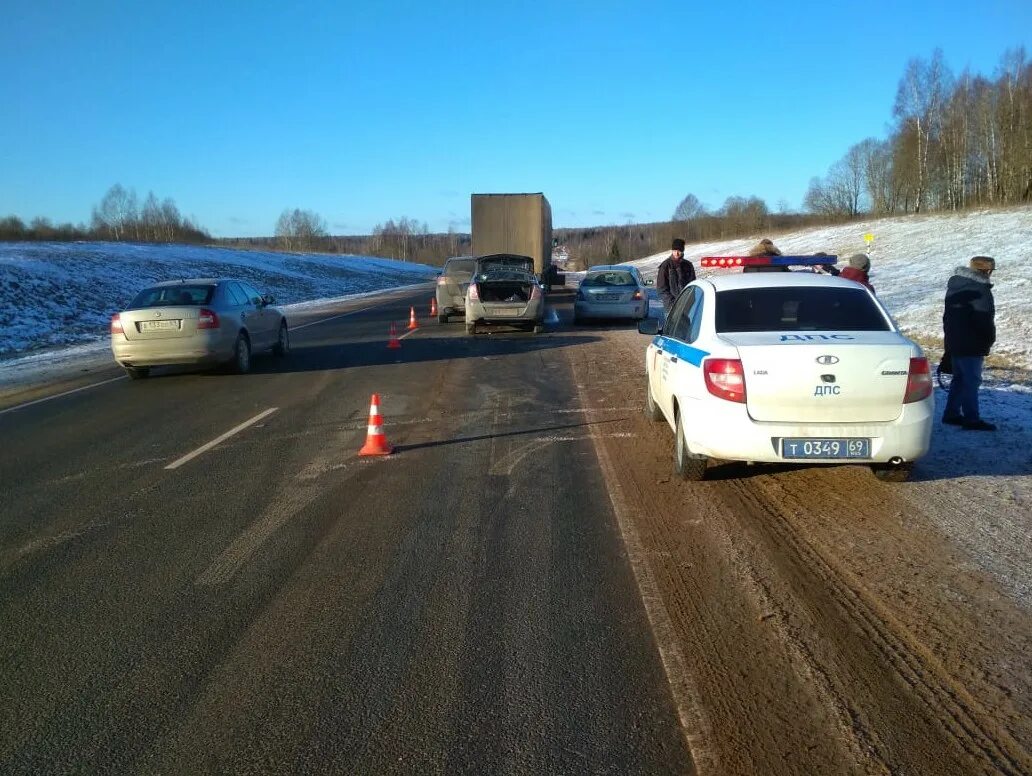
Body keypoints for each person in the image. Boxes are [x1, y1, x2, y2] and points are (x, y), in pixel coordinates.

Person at [942, 256, 997, 431]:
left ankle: (951, 414)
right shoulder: (980, 290)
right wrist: (988, 340)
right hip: (972, 344)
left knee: (959, 379)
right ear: (987, 271)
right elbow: (984, 320)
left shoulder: (956, 287)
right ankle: (971, 419)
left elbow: (947, 318)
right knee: (971, 381)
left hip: (955, 342)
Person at [656, 238, 696, 311]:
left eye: (679, 251)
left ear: (683, 251)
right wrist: (673, 303)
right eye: (674, 251)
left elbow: (693, 285)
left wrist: (690, 301)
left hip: (687, 306)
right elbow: (661, 289)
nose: (676, 253)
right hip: (671, 308)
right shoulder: (666, 266)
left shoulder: (688, 265)